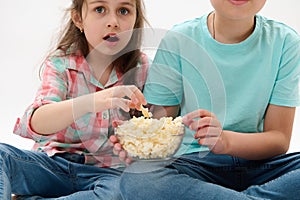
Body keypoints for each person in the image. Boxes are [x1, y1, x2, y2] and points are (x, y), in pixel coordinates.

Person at [112, 0, 300, 199]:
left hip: (261, 167)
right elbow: (159, 124)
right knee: (138, 179)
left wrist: (225, 141)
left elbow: (279, 139)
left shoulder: (285, 42)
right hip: (194, 165)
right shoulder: (179, 39)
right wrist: (136, 139)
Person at [1, 0, 149, 199]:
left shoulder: (141, 68)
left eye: (123, 11)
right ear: (79, 18)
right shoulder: (62, 63)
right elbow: (37, 121)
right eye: (100, 9)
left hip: (105, 174)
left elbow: (154, 129)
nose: (113, 22)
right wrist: (91, 101)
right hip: (53, 164)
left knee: (120, 192)